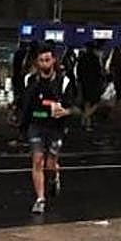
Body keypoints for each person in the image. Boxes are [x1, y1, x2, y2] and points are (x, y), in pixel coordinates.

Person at [19, 45, 76, 215]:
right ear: (36, 62)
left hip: (56, 127)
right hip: (35, 126)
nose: (44, 63)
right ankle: (40, 199)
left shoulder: (64, 81)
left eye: (47, 60)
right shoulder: (29, 80)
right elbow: (24, 102)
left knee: (50, 164)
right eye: (41, 60)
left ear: (54, 60)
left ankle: (54, 176)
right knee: (37, 160)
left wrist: (65, 111)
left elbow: (74, 106)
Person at [76, 41, 104, 131]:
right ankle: (86, 118)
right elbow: (99, 72)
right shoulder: (95, 59)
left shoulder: (82, 58)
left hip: (84, 83)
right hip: (93, 83)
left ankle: (86, 123)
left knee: (86, 102)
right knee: (96, 102)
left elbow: (78, 71)